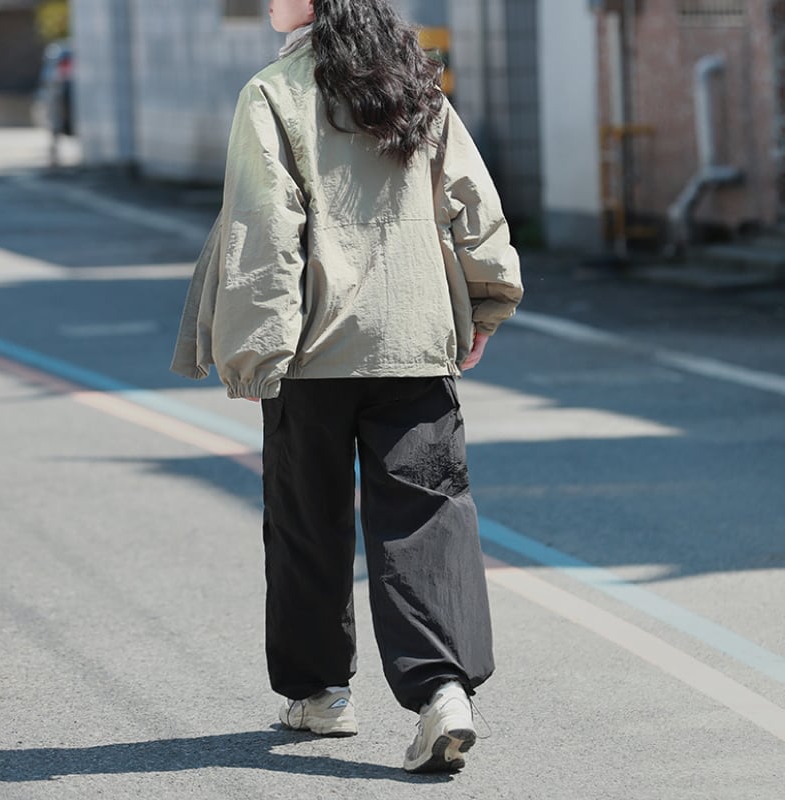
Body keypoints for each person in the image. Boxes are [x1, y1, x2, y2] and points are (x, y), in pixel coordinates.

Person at [171, 0, 522, 774]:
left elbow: (265, 227)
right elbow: (470, 198)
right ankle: (443, 694)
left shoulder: (274, 92)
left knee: (307, 520)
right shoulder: (414, 83)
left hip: (313, 351)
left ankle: (322, 694)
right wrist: (487, 303)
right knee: (426, 519)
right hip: (415, 340)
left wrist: (256, 352)